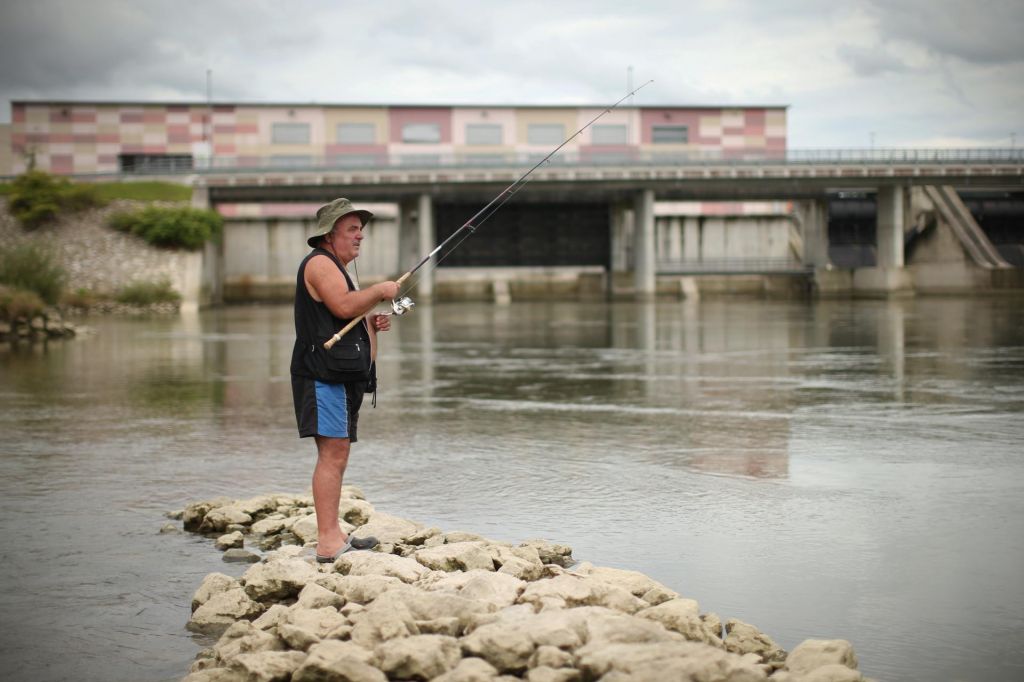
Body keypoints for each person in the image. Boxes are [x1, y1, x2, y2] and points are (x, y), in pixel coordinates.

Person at [290, 197, 400, 563]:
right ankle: (327, 542)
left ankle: (334, 532)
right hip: (322, 375)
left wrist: (371, 322)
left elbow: (343, 316)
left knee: (338, 452)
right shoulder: (321, 264)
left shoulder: (337, 267)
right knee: (332, 453)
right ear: (329, 233)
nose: (360, 237)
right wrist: (379, 291)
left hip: (338, 376)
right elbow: (341, 306)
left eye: (361, 230)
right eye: (352, 229)